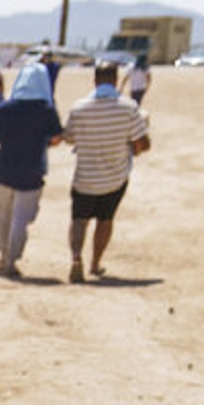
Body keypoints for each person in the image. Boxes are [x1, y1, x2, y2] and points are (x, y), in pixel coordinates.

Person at [63, 61, 152, 279]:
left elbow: (67, 138)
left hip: (84, 176)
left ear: (95, 80)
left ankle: (76, 257)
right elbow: (142, 143)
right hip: (115, 177)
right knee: (105, 220)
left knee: (79, 219)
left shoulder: (79, 108)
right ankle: (95, 263)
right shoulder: (129, 108)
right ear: (115, 79)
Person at [0, 62, 63, 278]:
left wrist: (8, 138)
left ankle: (1, 255)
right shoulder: (47, 111)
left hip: (2, 172)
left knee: (1, 217)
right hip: (31, 173)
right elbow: (56, 139)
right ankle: (12, 260)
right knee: (21, 221)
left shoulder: (3, 109)